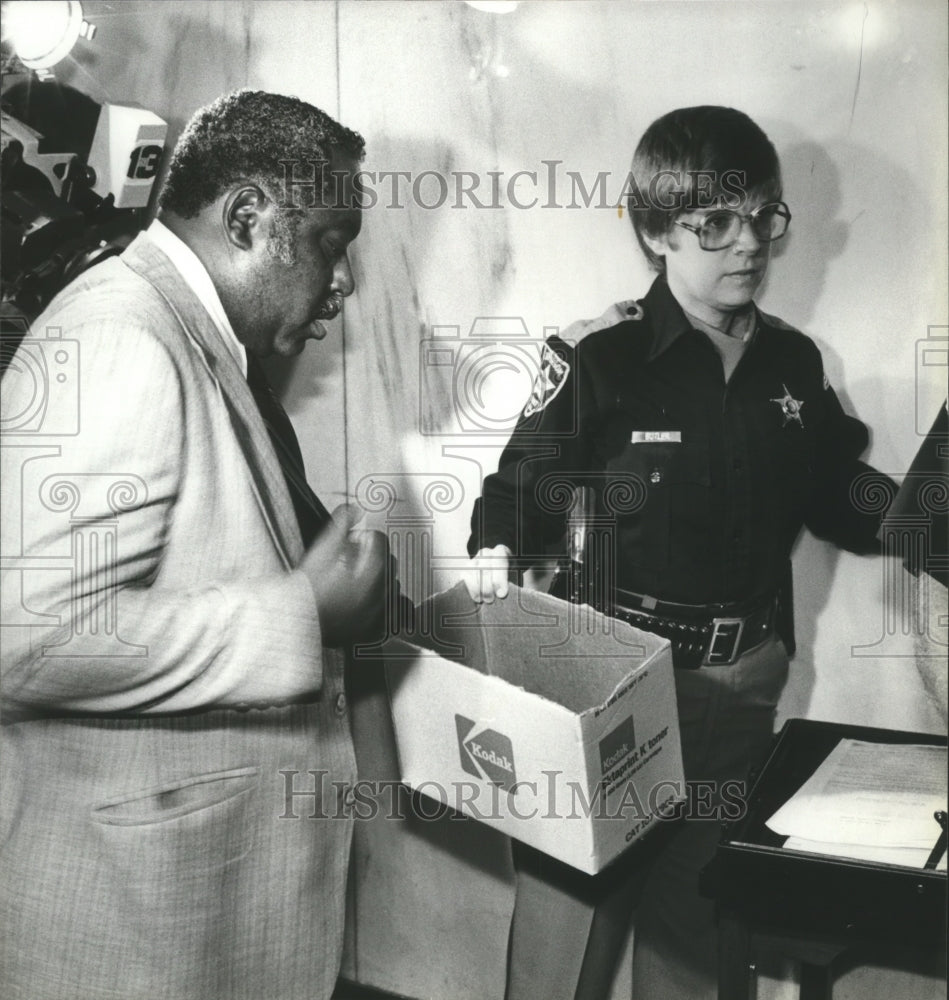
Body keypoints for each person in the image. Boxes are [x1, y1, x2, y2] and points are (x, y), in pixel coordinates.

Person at [465, 106, 893, 999]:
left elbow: (836, 490)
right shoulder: (599, 358)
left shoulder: (794, 366)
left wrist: (933, 524)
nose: (748, 246)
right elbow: (511, 505)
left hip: (742, 693)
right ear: (657, 231)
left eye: (763, 218)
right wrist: (517, 678)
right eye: (715, 224)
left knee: (698, 947)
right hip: (619, 690)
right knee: (567, 940)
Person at [0, 90, 388, 1000]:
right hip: (128, 934)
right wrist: (298, 613)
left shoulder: (193, 338)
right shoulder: (120, 336)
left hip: (186, 911)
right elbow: (27, 637)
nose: (345, 281)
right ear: (248, 218)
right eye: (333, 240)